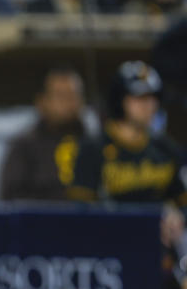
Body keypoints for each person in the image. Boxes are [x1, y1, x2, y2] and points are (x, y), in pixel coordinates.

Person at [68, 61, 186, 204]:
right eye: (140, 97)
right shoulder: (93, 148)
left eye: (153, 97)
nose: (149, 105)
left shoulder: (165, 148)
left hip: (155, 226)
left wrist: (176, 214)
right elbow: (81, 211)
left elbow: (183, 202)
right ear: (119, 100)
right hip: (109, 225)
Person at [0, 66, 88, 202]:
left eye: (74, 95)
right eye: (61, 96)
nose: (69, 103)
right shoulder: (25, 145)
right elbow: (11, 198)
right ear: (41, 102)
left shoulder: (94, 142)